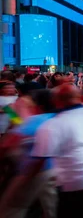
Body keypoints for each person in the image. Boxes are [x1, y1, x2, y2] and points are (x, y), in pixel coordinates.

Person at [26, 84, 83, 218]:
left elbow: (39, 160)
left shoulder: (51, 125)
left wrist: (26, 181)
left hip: (75, 182)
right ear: (81, 98)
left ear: (56, 101)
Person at [0, 89, 56, 218]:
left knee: (13, 206)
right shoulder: (15, 105)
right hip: (45, 164)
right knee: (49, 200)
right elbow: (15, 124)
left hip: (31, 164)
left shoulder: (26, 111)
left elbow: (18, 128)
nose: (11, 89)